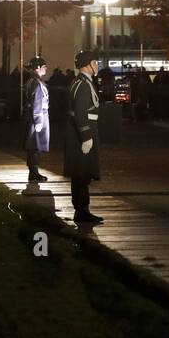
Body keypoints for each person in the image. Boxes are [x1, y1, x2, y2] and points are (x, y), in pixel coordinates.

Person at [63, 51, 103, 224]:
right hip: (82, 133)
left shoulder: (82, 82)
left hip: (81, 131)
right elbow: (80, 112)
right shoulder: (83, 84)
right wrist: (86, 136)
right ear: (88, 64)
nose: (97, 65)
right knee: (81, 174)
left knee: (82, 174)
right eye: (96, 62)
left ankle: (83, 210)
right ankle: (82, 211)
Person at [23, 56, 50, 182]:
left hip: (35, 116)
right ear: (38, 68)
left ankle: (33, 172)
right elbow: (38, 102)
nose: (46, 68)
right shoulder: (36, 82)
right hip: (39, 117)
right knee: (35, 147)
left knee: (33, 146)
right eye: (44, 66)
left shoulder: (33, 80)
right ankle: (34, 173)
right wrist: (39, 121)